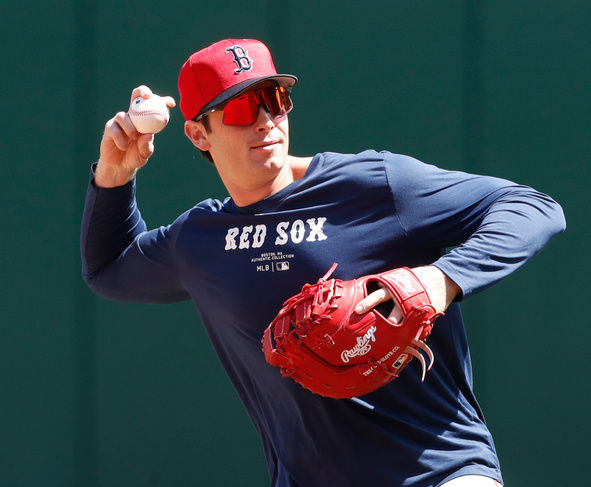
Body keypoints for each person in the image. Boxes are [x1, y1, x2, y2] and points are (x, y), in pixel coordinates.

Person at [81, 38, 566, 487]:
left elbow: (534, 208)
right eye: (243, 107)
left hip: (443, 469)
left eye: (275, 100)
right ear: (198, 133)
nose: (266, 120)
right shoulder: (200, 239)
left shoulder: (376, 186)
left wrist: (441, 279)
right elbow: (109, 269)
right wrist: (114, 176)